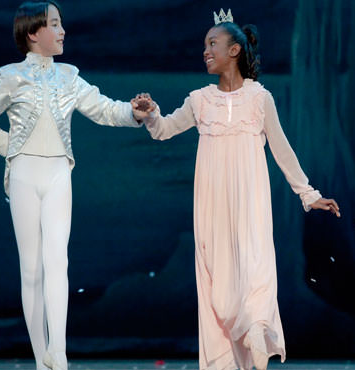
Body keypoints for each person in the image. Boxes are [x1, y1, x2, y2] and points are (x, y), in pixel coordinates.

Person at [134, 9, 340, 370]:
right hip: (212, 202)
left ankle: (258, 331)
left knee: (256, 265)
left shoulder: (260, 99)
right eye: (204, 45)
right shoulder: (200, 101)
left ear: (234, 51)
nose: (205, 51)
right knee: (219, 286)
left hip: (250, 198)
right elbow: (164, 128)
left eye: (212, 43)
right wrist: (150, 113)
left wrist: (308, 194)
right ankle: (233, 352)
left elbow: (282, 149)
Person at [0, 2, 151, 369]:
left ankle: (60, 353)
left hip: (57, 175)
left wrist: (133, 113)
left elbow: (102, 108)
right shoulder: (10, 76)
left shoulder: (69, 76)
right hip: (22, 175)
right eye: (54, 24)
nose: (63, 30)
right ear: (34, 33)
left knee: (58, 261)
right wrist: (15, 148)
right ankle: (41, 358)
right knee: (31, 269)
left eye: (61, 23)